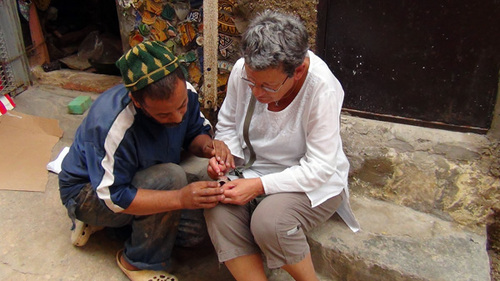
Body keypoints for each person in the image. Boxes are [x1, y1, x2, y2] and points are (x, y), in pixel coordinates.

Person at [58, 40, 234, 281]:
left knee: (196, 231)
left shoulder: (185, 94)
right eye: (163, 114)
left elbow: (194, 132)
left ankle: (114, 229)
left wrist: (209, 148)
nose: (177, 116)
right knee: (171, 178)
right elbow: (115, 196)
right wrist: (180, 198)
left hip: (144, 177)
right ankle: (136, 263)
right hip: (90, 194)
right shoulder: (113, 124)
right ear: (137, 101)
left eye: (181, 106)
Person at [204, 10, 360, 281]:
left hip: (311, 179)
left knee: (270, 222)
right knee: (217, 203)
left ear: (298, 71)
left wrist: (258, 187)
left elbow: (321, 167)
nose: (256, 92)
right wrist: (225, 154)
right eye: (251, 82)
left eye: (267, 86)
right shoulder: (245, 71)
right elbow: (228, 124)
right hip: (254, 170)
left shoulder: (320, 88)